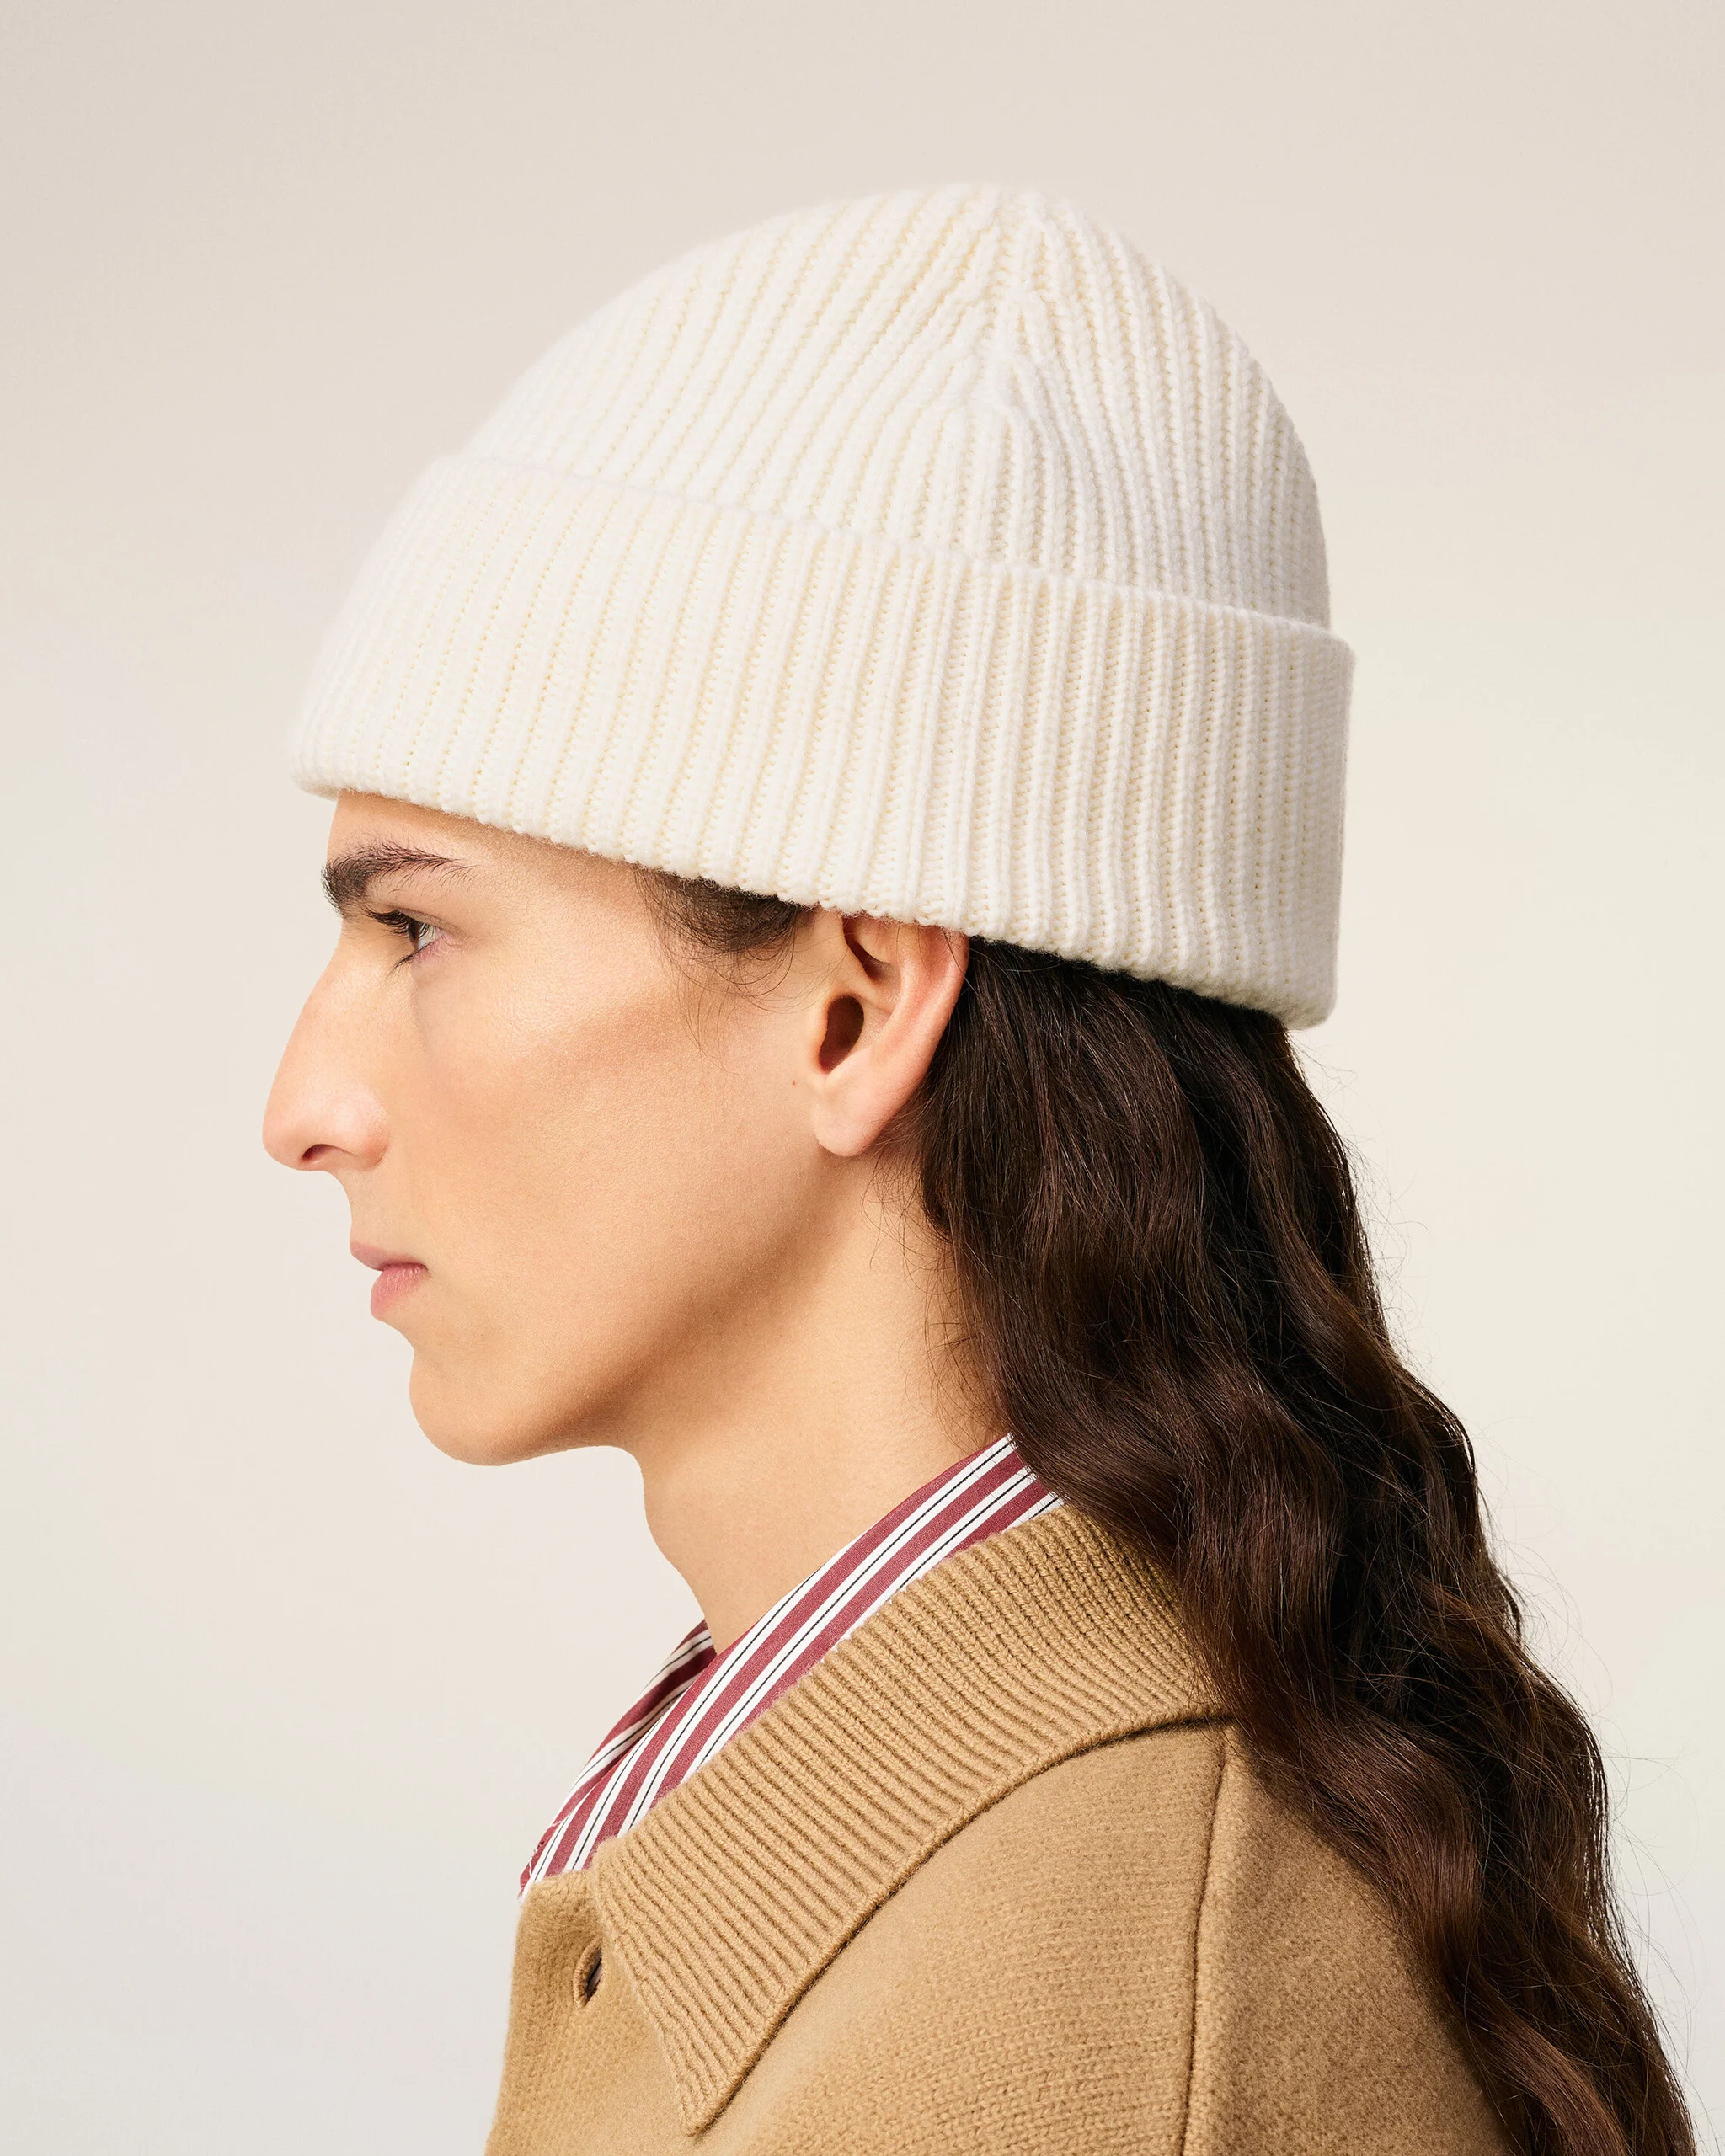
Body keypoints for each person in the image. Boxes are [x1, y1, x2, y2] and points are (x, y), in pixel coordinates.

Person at [264, 188, 1694, 2155]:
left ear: (852, 1006)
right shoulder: (978, 1848)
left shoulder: (1091, 2020)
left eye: (417, 927)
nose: (304, 1100)